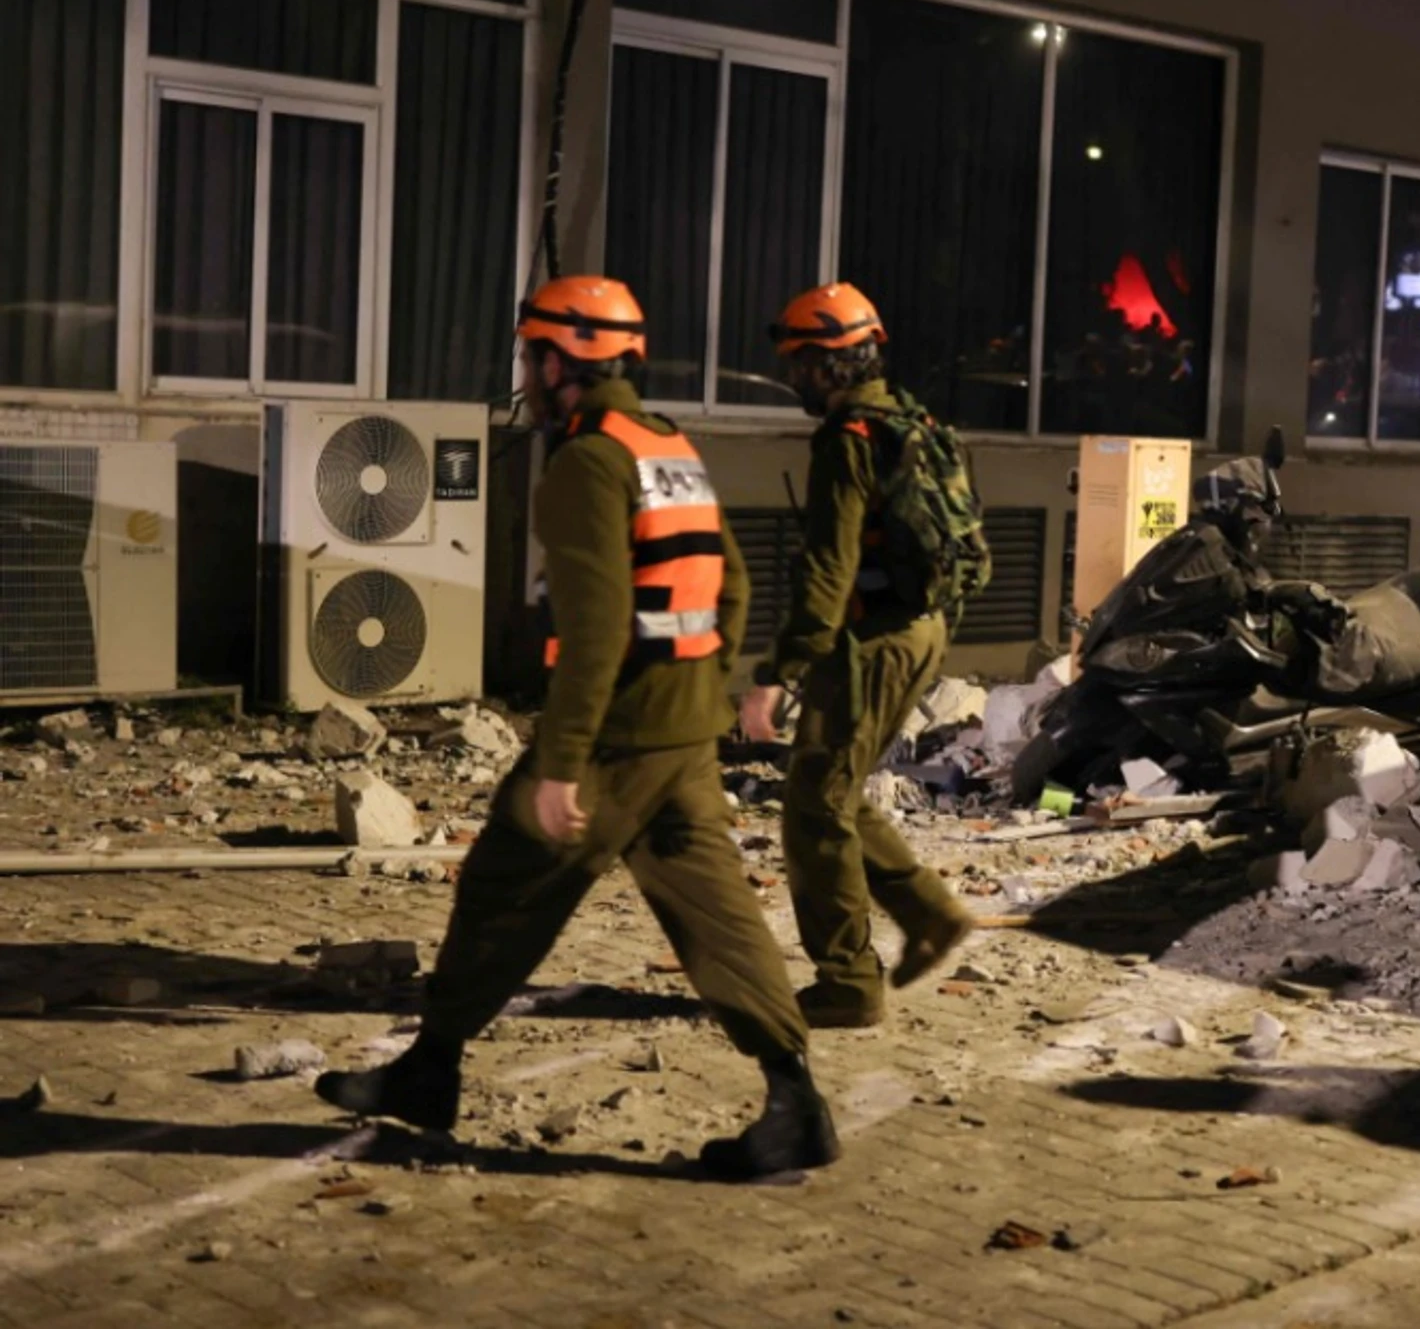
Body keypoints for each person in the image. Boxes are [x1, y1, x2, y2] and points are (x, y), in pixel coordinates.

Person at [315, 277, 838, 1180]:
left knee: (501, 887)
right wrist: (703, 691)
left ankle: (429, 1071)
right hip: (682, 734)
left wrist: (559, 767)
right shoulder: (667, 444)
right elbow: (735, 585)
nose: (524, 372)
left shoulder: (586, 464)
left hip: (615, 739)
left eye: (529, 356)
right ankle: (795, 1100)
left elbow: (596, 630)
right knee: (717, 915)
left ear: (561, 362)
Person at [739, 284, 984, 1029]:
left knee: (814, 807)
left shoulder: (849, 437)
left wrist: (776, 673)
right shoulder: (915, 420)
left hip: (873, 638)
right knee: (834, 792)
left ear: (834, 363)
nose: (793, 381)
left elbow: (827, 569)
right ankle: (931, 913)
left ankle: (847, 980)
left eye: (801, 365)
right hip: (924, 628)